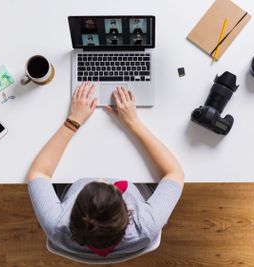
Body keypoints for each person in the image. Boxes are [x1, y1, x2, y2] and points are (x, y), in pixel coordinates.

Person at [27, 82, 184, 263]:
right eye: (109, 186)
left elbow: (38, 173)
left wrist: (73, 121)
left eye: (93, 184)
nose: (101, 177)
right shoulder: (146, 226)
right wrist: (133, 122)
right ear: (127, 212)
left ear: (72, 211)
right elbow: (174, 173)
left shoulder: (56, 225)